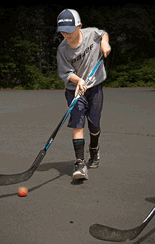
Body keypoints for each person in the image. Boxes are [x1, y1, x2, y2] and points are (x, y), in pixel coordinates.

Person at [56, 9, 111, 180]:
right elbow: (65, 73)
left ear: (79, 26)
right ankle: (80, 162)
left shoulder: (91, 33)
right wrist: (78, 80)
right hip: (75, 89)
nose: (66, 34)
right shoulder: (62, 49)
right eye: (62, 31)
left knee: (94, 124)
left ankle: (94, 150)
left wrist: (104, 43)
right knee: (77, 124)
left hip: (94, 87)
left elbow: (104, 34)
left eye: (70, 30)